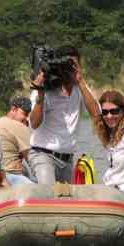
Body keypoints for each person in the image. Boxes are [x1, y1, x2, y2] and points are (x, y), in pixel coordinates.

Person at [28, 45, 100, 184]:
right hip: (43, 154)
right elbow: (34, 124)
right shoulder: (47, 89)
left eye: (73, 65)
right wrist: (41, 95)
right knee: (48, 193)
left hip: (67, 159)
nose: (69, 70)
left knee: (67, 202)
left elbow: (97, 115)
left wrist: (81, 81)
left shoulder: (80, 89)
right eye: (66, 66)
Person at [0, 96, 34, 186]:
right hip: (10, 175)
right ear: (13, 109)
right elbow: (32, 159)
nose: (26, 118)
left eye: (29, 114)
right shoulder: (18, 126)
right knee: (41, 193)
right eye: (24, 113)